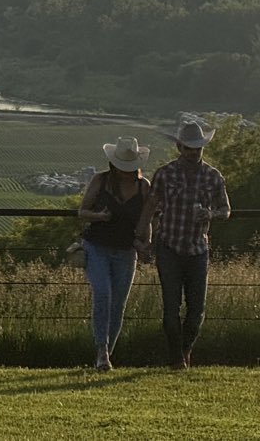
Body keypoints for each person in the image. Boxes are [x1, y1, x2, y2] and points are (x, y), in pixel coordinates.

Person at [135, 121, 231, 370]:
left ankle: (185, 349)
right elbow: (150, 207)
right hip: (169, 247)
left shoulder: (213, 176)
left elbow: (226, 209)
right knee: (171, 306)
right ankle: (177, 357)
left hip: (198, 249)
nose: (193, 153)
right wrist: (143, 239)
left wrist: (210, 214)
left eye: (197, 149)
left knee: (197, 309)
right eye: (189, 148)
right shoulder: (165, 174)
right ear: (179, 147)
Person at [77, 137, 152, 372]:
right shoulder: (100, 181)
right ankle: (102, 350)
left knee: (118, 303)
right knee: (102, 294)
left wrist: (145, 243)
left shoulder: (144, 186)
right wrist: (100, 216)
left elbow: (146, 219)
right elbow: (83, 211)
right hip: (97, 246)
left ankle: (107, 354)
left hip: (126, 250)